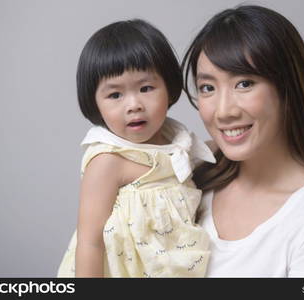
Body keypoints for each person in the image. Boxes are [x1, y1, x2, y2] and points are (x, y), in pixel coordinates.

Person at [182, 5, 304, 277]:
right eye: (208, 88)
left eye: (244, 83)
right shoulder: (188, 175)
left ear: (287, 89)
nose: (223, 111)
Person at [57, 19, 215, 277]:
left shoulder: (175, 142)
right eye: (115, 95)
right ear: (94, 102)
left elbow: (187, 162)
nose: (134, 105)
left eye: (146, 88)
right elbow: (89, 242)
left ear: (169, 88)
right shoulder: (108, 160)